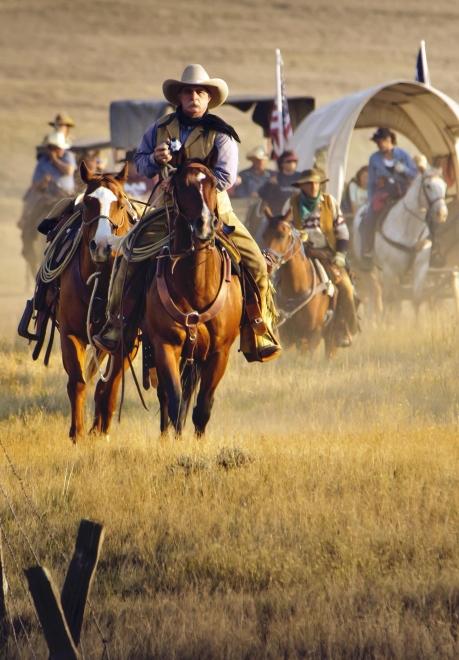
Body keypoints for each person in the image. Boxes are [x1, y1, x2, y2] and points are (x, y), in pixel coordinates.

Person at [93, 64, 281, 362]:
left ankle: (259, 327)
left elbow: (225, 177)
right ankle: (117, 324)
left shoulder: (222, 134)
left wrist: (186, 178)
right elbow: (139, 162)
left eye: (200, 92)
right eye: (188, 91)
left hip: (214, 208)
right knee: (128, 255)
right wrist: (154, 158)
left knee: (256, 261)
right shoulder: (158, 129)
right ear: (179, 97)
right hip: (166, 208)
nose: (194, 96)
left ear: (209, 99)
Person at [288, 168, 359, 347]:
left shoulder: (329, 202)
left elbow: (342, 231)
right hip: (299, 253)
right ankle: (275, 327)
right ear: (301, 186)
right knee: (276, 284)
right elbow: (285, 229)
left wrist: (341, 255)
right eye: (308, 183)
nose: (313, 186)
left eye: (316, 183)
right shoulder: (292, 204)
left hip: (328, 254)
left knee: (346, 287)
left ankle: (345, 327)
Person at [361, 127, 417, 260]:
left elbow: (415, 175)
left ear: (389, 140)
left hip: (402, 192)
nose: (379, 144)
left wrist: (403, 169)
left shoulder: (403, 155)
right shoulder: (374, 158)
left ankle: (426, 247)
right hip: (383, 193)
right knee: (369, 216)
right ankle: (367, 248)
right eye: (377, 142)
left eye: (381, 141)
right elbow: (371, 182)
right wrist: (370, 198)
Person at [258, 150, 300, 215]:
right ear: (282, 163)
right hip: (277, 215)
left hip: (297, 214)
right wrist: (270, 185)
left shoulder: (302, 177)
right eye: (289, 161)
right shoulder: (275, 178)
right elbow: (262, 195)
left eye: (294, 161)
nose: (292, 163)